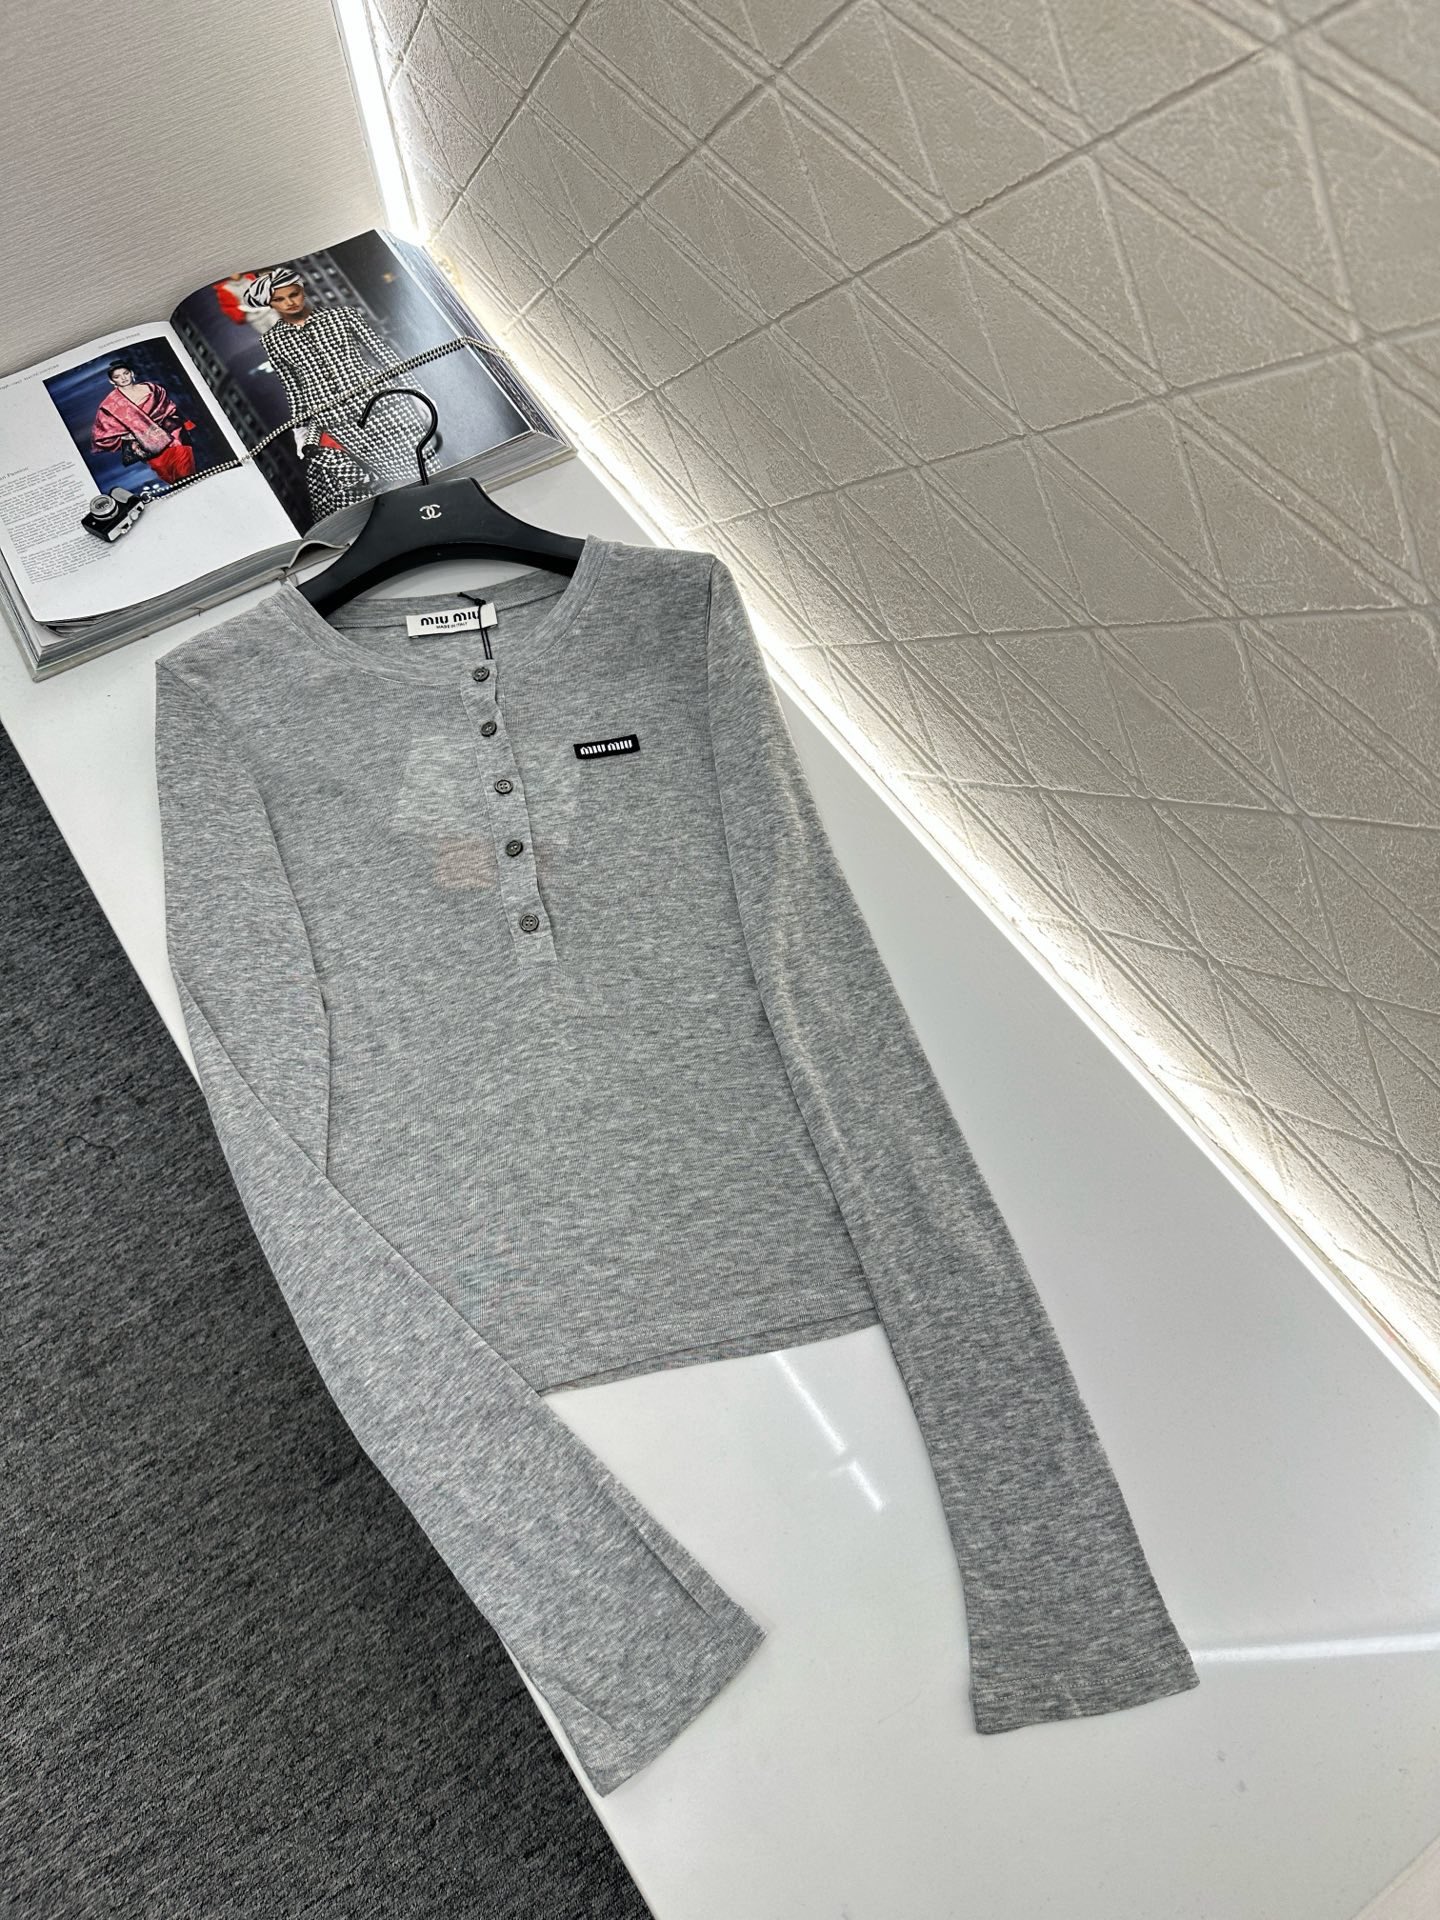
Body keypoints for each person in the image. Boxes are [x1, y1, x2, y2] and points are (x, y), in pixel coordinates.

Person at [244, 265, 434, 526]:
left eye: (294, 294)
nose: (290, 302)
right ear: (270, 303)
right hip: (335, 421)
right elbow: (293, 388)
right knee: (387, 476)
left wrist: (415, 391)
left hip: (381, 403)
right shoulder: (272, 341)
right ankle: (415, 522)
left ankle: (440, 507)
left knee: (419, 463)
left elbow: (383, 354)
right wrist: (301, 431)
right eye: (280, 299)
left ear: (303, 290)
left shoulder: (343, 315)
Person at [90, 361, 197, 484]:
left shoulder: (152, 388)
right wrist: (128, 436)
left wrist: (184, 423)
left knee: (186, 470)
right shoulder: (110, 404)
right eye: (117, 376)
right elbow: (101, 433)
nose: (123, 378)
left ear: (131, 373)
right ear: (112, 381)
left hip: (173, 434)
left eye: (125, 373)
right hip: (149, 446)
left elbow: (169, 407)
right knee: (168, 474)